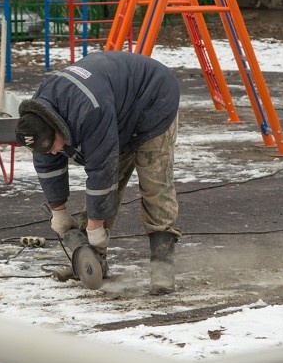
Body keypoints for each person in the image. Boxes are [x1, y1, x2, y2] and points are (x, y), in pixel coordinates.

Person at [14, 51, 181, 295]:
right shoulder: (37, 120)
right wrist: (58, 212)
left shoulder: (89, 112)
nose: (53, 153)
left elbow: (102, 172)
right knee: (105, 183)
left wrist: (95, 228)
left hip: (153, 98)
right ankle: (92, 261)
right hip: (116, 107)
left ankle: (162, 267)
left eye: (54, 146)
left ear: (56, 127)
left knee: (155, 183)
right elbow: (47, 163)